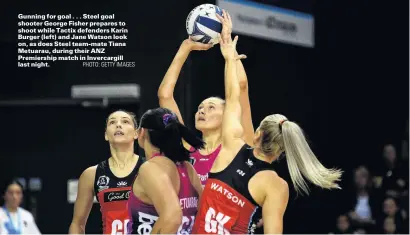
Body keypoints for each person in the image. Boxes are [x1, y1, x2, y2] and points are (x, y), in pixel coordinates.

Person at [192, 13, 342, 234]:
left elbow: (234, 94)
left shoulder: (232, 144)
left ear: (257, 134)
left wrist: (229, 56)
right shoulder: (276, 186)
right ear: (283, 151)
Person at [157, 9, 252, 187]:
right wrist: (185, 48)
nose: (202, 110)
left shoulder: (240, 143)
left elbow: (240, 87)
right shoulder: (186, 148)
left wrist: (229, 49)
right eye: (200, 107)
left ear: (228, 115)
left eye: (211, 108)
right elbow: (165, 95)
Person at [127, 107, 204, 234]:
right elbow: (202, 214)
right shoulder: (187, 168)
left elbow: (172, 217)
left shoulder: (150, 168)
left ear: (142, 132)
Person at [69, 110, 143, 234]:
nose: (118, 125)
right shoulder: (91, 174)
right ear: (106, 135)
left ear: (136, 134)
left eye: (125, 121)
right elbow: (77, 224)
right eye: (112, 122)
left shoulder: (150, 168)